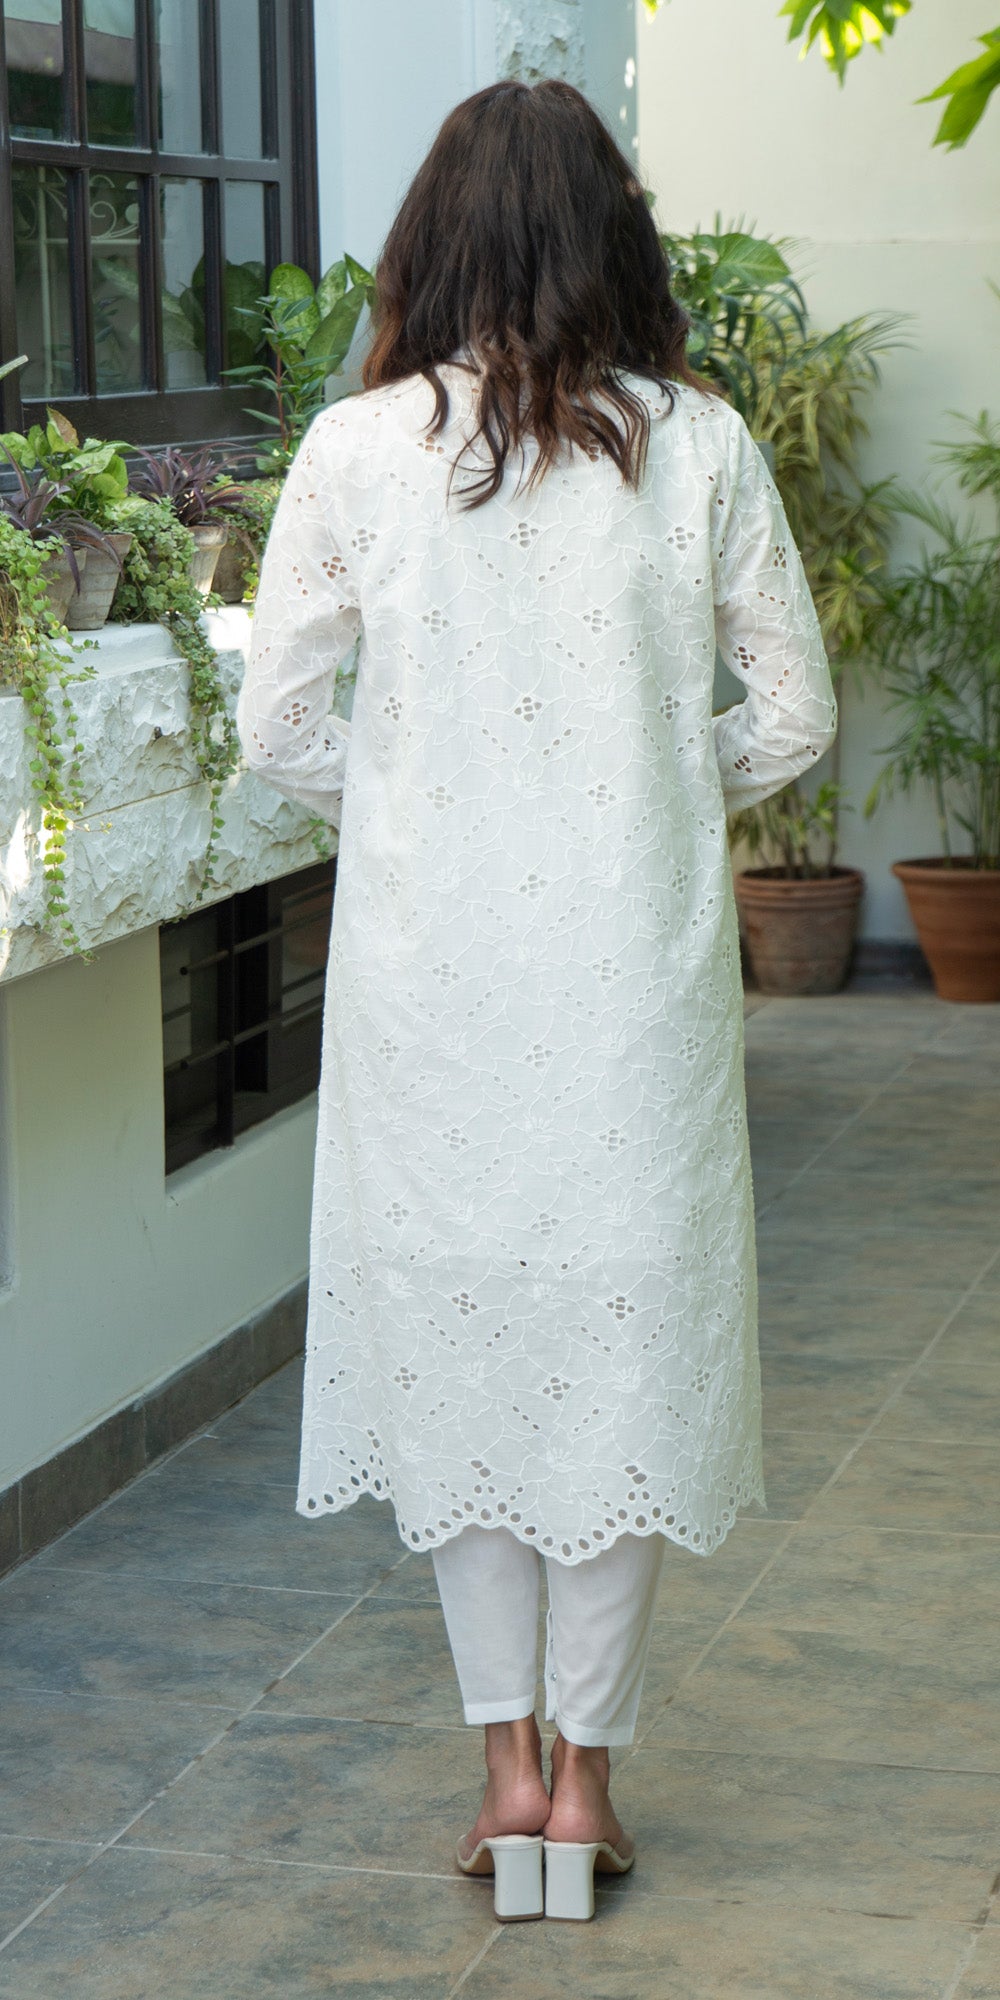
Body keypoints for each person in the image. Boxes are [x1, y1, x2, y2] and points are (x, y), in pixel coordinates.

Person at [237, 78, 836, 1924]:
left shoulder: (354, 452)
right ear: (615, 236)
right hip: (627, 980)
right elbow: (794, 715)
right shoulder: (698, 445)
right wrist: (650, 785)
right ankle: (586, 1789)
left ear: (432, 239)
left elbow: (280, 725)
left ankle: (502, 1771)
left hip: (428, 984)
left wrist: (420, 803)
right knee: (619, 1354)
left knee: (462, 1347)